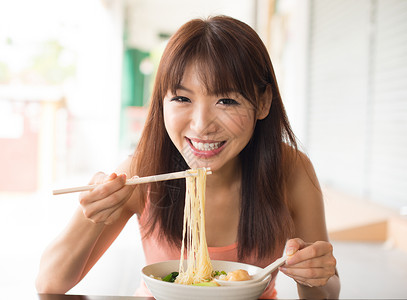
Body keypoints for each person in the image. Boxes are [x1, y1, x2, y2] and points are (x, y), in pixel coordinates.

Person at [36, 15, 340, 299]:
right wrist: (90, 217)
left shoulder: (290, 171)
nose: (200, 125)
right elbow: (49, 284)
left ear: (262, 103)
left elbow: (328, 290)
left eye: (226, 100)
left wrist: (314, 275)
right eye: (182, 98)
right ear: (162, 102)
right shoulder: (142, 172)